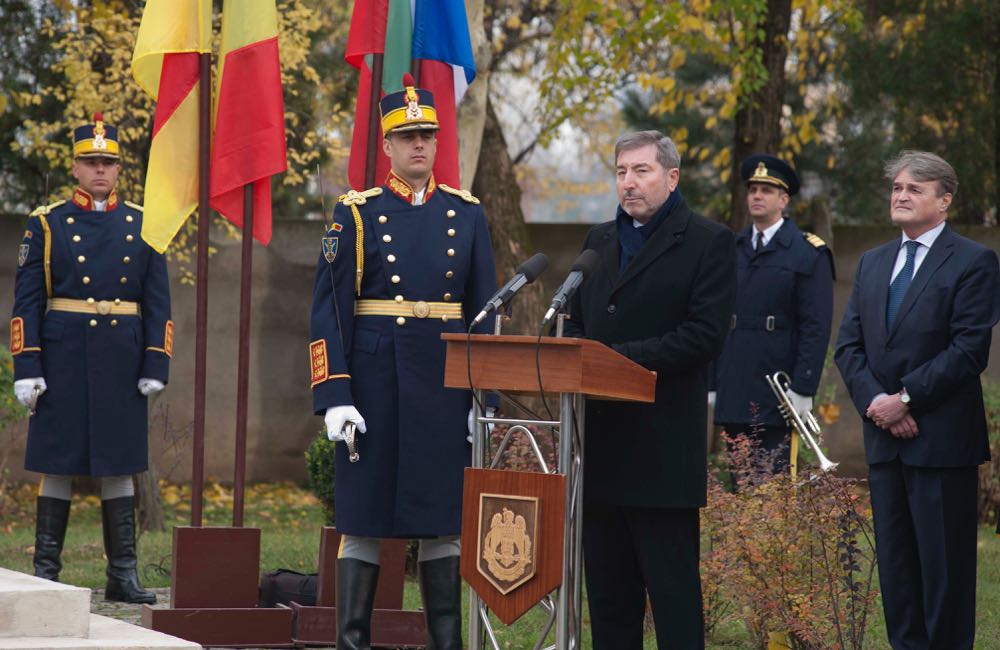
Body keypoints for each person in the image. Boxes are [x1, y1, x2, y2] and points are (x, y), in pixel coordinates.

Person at [309, 74, 497, 650]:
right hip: (374, 386)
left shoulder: (466, 214)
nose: (418, 144)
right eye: (406, 135)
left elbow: (486, 314)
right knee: (363, 519)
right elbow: (329, 313)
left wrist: (481, 398)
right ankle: (353, 642)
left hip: (443, 386)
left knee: (443, 522)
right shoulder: (357, 213)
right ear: (386, 146)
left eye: (427, 135)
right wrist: (335, 394)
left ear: (438, 143)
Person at [562, 130, 736, 648]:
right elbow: (573, 321)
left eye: (641, 171)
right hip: (601, 449)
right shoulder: (599, 241)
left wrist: (614, 360)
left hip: (662, 452)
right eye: (621, 172)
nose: (629, 182)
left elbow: (704, 335)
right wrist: (572, 348)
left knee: (673, 602)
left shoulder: (708, 240)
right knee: (611, 606)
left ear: (672, 176)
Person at [835, 150, 1000, 649]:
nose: (900, 196)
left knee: (944, 575)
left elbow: (969, 349)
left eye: (914, 189)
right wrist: (880, 406)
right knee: (899, 575)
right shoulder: (873, 261)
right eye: (896, 188)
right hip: (886, 444)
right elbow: (849, 346)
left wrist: (906, 399)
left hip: (942, 444)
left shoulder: (973, 260)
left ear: (944, 200)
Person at [10, 113, 171, 604]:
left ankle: (122, 575)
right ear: (75, 168)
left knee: (119, 464)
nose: (99, 170)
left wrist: (155, 363)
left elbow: (158, 300)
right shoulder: (48, 223)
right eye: (90, 162)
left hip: (120, 356)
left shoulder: (144, 224)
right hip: (62, 355)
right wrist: (27, 366)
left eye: (108, 162)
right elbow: (27, 301)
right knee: (57, 463)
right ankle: (45, 575)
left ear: (119, 169)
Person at [711, 154, 834, 472]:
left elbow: (815, 326)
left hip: (778, 389)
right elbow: (715, 318)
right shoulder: (731, 249)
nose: (756, 196)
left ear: (783, 199)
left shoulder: (807, 251)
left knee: (775, 489)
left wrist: (804, 386)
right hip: (735, 382)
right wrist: (713, 381)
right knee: (739, 487)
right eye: (752, 189)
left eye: (766, 190)